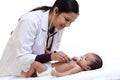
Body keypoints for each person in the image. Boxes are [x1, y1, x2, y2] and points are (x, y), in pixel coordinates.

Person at [0, 0, 79, 77]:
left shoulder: (58, 26)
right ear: (55, 11)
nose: (68, 25)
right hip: (12, 73)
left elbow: (46, 51)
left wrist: (57, 55)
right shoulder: (30, 21)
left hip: (34, 73)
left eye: (71, 22)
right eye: (67, 19)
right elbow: (22, 57)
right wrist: (51, 56)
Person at [21, 52, 103, 77]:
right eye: (84, 55)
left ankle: (27, 75)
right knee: (41, 60)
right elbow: (65, 63)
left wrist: (58, 74)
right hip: (50, 66)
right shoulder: (75, 62)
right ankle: (33, 74)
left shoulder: (77, 67)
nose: (82, 56)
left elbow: (68, 73)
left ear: (87, 68)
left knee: (34, 63)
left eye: (85, 58)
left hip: (49, 71)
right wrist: (70, 59)